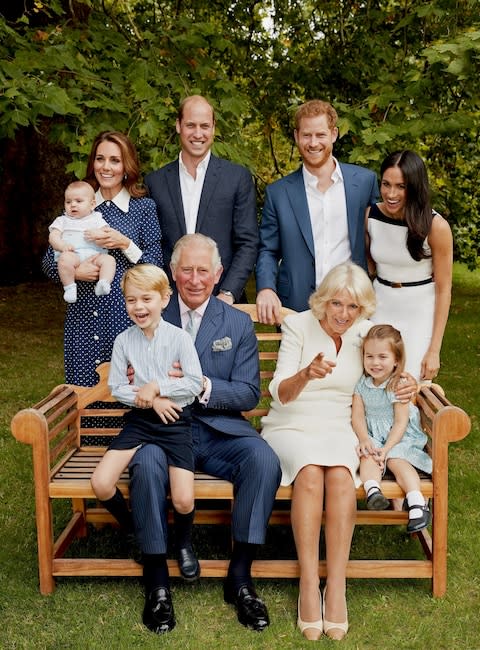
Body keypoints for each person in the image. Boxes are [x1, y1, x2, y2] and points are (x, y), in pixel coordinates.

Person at [128, 234, 281, 635]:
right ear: (172, 274)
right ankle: (157, 582)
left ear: (218, 275)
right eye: (186, 270)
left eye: (203, 271)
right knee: (144, 465)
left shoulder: (236, 323)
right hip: (163, 430)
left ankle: (241, 577)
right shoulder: (152, 313)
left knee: (263, 459)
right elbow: (131, 370)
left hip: (218, 430)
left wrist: (201, 385)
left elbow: (248, 393)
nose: (194, 280)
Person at [261, 263, 416, 641]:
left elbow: (392, 365)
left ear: (362, 309)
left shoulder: (364, 334)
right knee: (311, 472)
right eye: (336, 304)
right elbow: (278, 392)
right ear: (323, 301)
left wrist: (408, 383)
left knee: (343, 477)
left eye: (353, 307)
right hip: (292, 421)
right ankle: (309, 583)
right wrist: (306, 374)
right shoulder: (298, 325)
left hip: (341, 425)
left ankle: (338, 586)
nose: (343, 314)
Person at [90, 264, 204, 582]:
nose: (139, 307)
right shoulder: (124, 341)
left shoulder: (180, 339)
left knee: (183, 499)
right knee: (101, 482)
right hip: (141, 421)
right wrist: (149, 397)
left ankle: (182, 544)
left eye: (146, 299)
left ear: (165, 299)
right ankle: (136, 531)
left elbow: (194, 384)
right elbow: (117, 387)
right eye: (131, 300)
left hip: (175, 421)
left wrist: (160, 388)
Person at [42, 131, 162, 386]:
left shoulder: (143, 208)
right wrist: (74, 273)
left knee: (128, 397)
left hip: (126, 318)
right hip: (83, 317)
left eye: (115, 160)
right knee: (84, 395)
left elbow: (156, 266)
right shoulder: (77, 203)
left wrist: (125, 244)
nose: (106, 167)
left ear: (127, 166)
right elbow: (47, 262)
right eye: (100, 159)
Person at [256, 99, 378, 323]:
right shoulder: (278, 193)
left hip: (353, 306)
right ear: (296, 136)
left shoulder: (364, 183)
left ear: (334, 134)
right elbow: (268, 250)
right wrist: (265, 288)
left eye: (320, 135)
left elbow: (380, 237)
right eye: (306, 135)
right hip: (296, 306)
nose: (313, 143)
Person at [145, 94, 258, 304]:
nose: (198, 134)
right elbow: (153, 244)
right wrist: (163, 291)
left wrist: (228, 292)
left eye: (205, 126)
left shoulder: (237, 178)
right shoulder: (155, 182)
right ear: (178, 125)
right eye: (191, 125)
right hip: (170, 302)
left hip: (223, 300)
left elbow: (248, 243)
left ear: (213, 127)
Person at [367, 150, 453, 381]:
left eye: (401, 186)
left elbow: (444, 290)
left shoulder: (436, 227)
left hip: (419, 313)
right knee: (375, 383)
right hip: (380, 307)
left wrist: (434, 350)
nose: (391, 194)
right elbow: (369, 267)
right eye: (386, 184)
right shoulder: (371, 216)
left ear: (414, 187)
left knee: (410, 386)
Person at [352, 324, 432, 533]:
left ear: (396, 360)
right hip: (373, 435)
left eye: (382, 357)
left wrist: (386, 450)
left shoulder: (398, 384)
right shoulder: (361, 384)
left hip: (399, 437)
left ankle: (416, 502)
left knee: (396, 460)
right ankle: (374, 491)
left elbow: (400, 422)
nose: (375, 362)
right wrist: (364, 439)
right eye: (369, 356)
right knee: (367, 457)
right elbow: (358, 416)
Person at [48, 181, 116, 303]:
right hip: (73, 255)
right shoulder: (62, 220)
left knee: (109, 260)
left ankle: (104, 282)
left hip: (95, 255)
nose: (73, 205)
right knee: (64, 260)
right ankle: (69, 287)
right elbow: (53, 237)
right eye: (68, 202)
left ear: (92, 204)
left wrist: (99, 234)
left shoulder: (97, 218)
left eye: (78, 201)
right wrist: (62, 246)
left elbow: (107, 234)